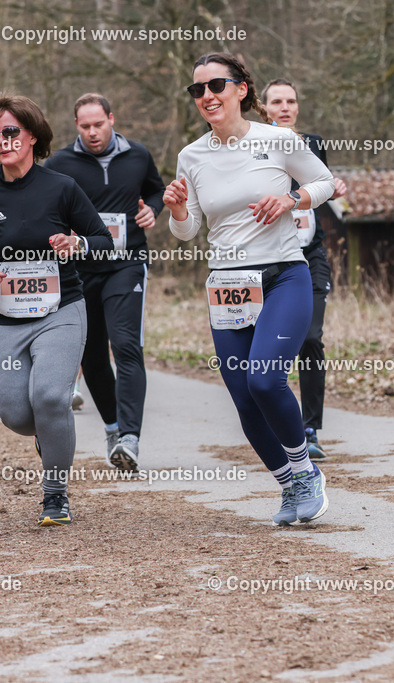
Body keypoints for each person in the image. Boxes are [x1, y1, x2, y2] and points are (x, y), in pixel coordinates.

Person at [164, 53, 335, 526]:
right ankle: (289, 483)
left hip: (283, 275)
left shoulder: (277, 139)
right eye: (197, 89)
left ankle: (306, 472)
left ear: (241, 89)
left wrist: (292, 197)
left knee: (264, 379)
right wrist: (177, 210)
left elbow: (324, 181)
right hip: (227, 284)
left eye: (216, 85)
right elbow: (188, 230)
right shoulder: (191, 156)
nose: (206, 96)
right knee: (242, 395)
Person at [0, 93, 113, 526]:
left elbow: (103, 241)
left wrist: (76, 243)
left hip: (61, 310)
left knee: (50, 397)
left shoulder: (61, 187)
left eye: (11, 131)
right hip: (3, 317)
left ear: (32, 136)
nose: (2, 141)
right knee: (18, 415)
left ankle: (55, 495)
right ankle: (49, 434)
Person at [46, 93, 166, 472]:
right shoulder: (61, 163)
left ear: (112, 119)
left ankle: (130, 438)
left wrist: (153, 209)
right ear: (76, 126)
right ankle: (113, 427)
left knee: (126, 345)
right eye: (85, 126)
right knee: (92, 355)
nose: (93, 132)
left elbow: (156, 190)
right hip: (81, 269)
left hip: (127, 263)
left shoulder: (138, 155)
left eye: (99, 124)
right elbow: (47, 206)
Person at [263, 78, 349, 461]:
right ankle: (275, 422)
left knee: (311, 338)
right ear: (264, 108)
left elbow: (320, 188)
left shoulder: (312, 143)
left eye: (291, 101)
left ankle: (310, 428)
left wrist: (334, 189)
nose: (285, 107)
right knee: (268, 344)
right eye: (277, 102)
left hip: (309, 254)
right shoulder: (252, 145)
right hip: (265, 257)